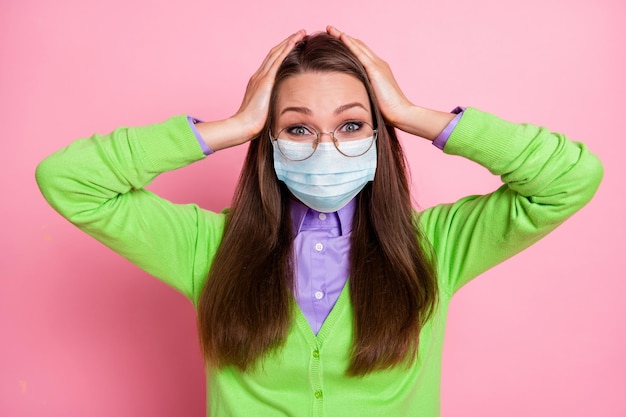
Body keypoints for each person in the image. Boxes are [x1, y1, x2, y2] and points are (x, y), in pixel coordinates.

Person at [36, 26, 603, 416]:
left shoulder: (436, 247)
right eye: (299, 127)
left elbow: (568, 179)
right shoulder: (206, 248)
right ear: (271, 141)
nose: (326, 145)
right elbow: (69, 180)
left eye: (352, 125)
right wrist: (229, 127)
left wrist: (414, 115)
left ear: (379, 139)